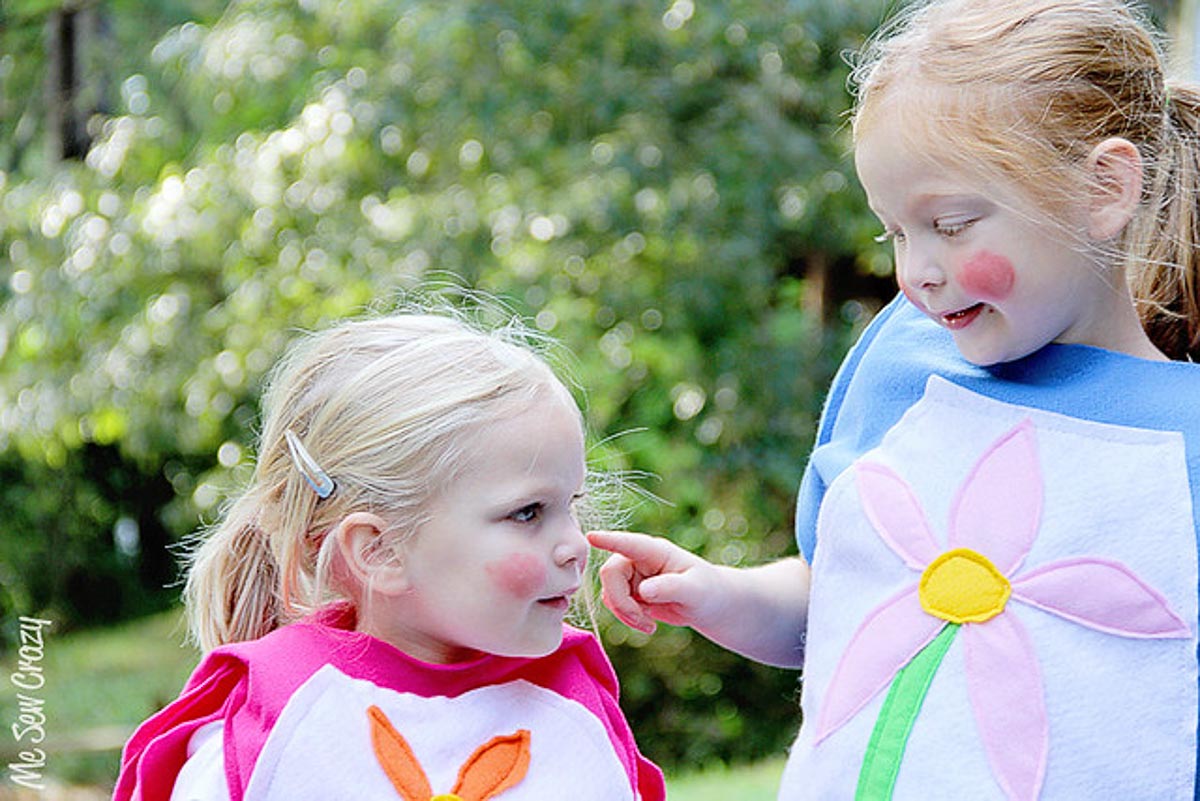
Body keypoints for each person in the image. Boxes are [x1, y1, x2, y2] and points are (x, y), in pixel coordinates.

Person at [589, 0, 1200, 798]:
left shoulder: (1181, 438)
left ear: (1106, 186)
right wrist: (720, 593)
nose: (917, 271)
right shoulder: (903, 362)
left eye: (950, 223)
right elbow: (836, 593)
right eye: (894, 233)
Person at [113, 308, 666, 801]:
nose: (574, 544)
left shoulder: (573, 707)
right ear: (380, 551)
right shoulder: (276, 722)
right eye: (528, 514)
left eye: (572, 503)